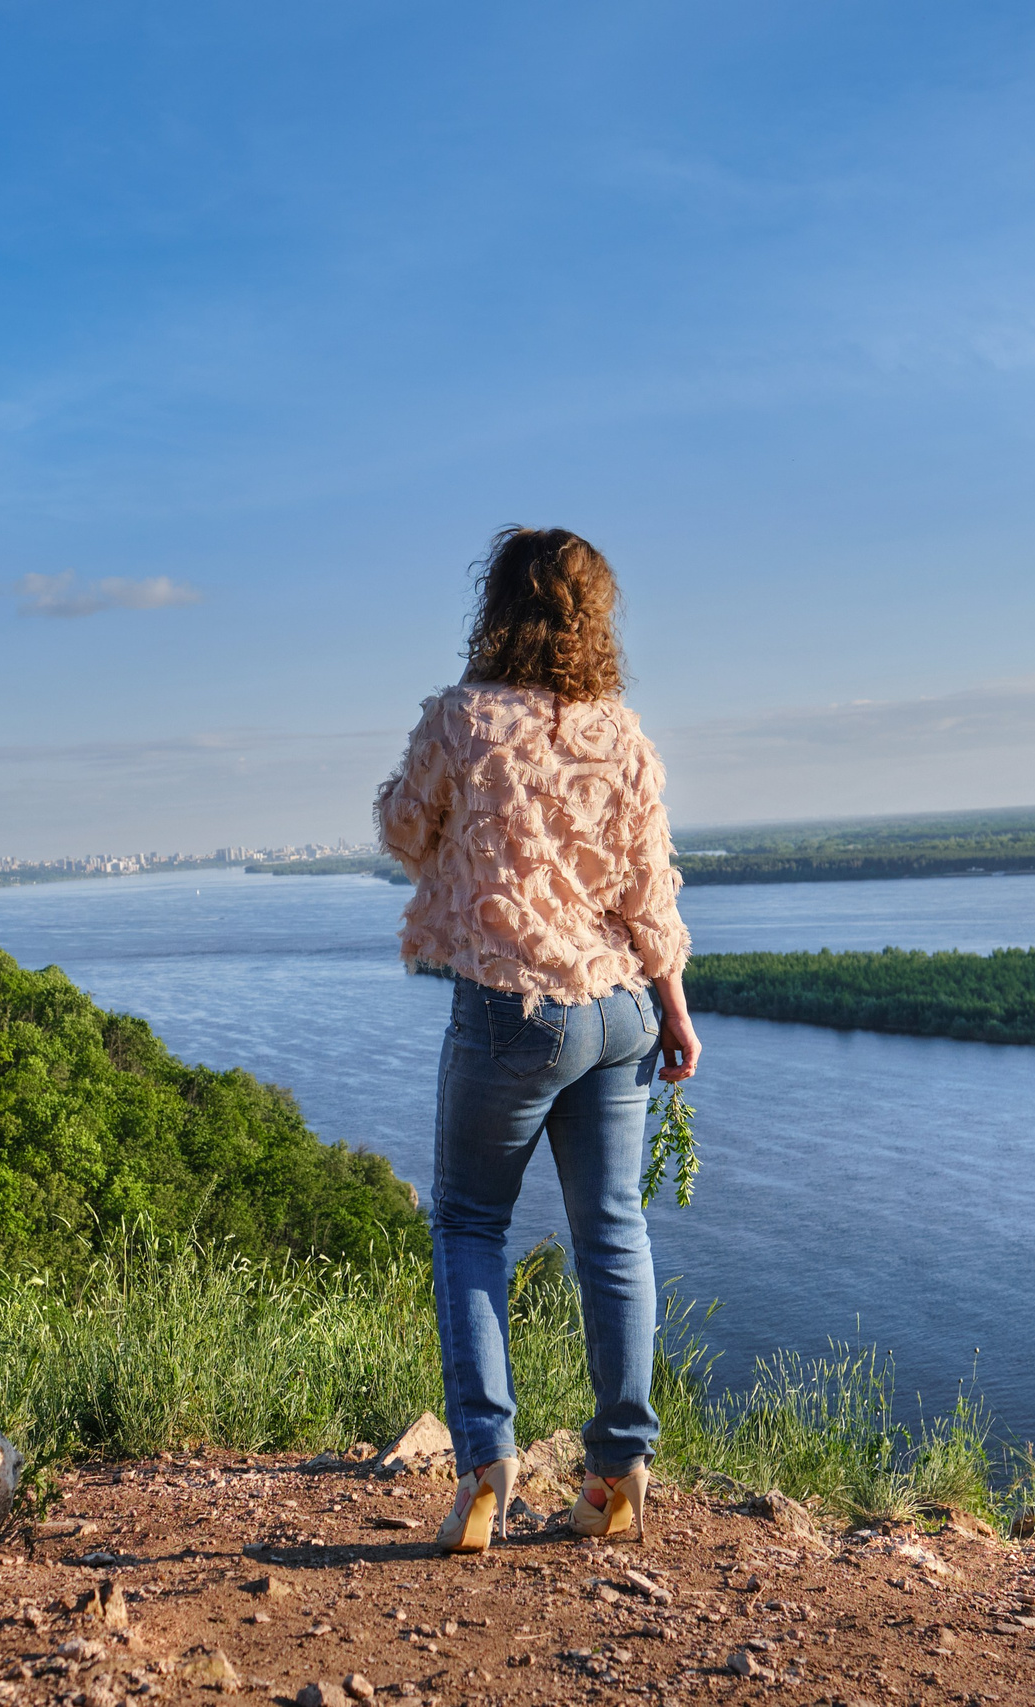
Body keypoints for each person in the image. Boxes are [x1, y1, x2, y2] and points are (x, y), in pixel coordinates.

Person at [375, 525, 702, 1555]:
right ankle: (617, 1472)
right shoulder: (622, 733)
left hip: (513, 1009)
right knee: (612, 1230)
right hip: (619, 1010)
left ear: (496, 610)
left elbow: (400, 829)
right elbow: (649, 893)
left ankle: (484, 1466)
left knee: (470, 1224)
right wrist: (677, 1007)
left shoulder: (463, 721)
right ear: (593, 617)